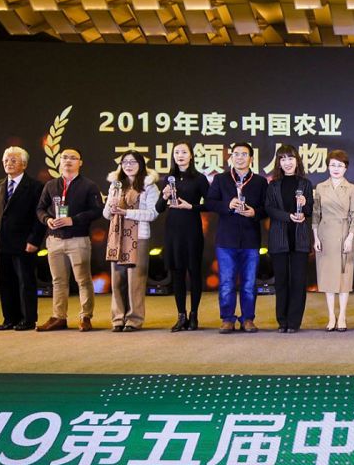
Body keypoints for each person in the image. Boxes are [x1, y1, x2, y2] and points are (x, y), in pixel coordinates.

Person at [35, 148, 103, 332]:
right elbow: (40, 209)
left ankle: (85, 316)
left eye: (73, 158)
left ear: (80, 162)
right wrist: (47, 220)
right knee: (58, 281)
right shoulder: (50, 185)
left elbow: (97, 210)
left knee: (83, 280)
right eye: (64, 157)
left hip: (78, 239)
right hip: (54, 239)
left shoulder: (89, 185)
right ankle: (59, 317)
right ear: (59, 161)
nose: (68, 161)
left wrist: (73, 220)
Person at [205, 142, 267, 334]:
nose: (240, 157)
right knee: (227, 282)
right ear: (231, 157)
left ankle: (248, 319)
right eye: (236, 154)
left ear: (251, 158)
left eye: (244, 154)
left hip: (250, 239)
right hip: (226, 240)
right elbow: (209, 202)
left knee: (249, 284)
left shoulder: (260, 182)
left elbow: (267, 208)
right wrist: (227, 204)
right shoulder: (221, 179)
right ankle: (227, 319)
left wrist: (255, 212)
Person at [0, 146, 45, 332]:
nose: (8, 163)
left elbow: (39, 218)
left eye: (13, 160)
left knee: (25, 282)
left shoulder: (35, 187)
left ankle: (28, 319)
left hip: (24, 244)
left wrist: (34, 240)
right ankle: (9, 318)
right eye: (6, 160)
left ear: (24, 164)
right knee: (5, 282)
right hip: (1, 242)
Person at [103, 151, 159, 332]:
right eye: (125, 162)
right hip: (117, 237)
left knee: (136, 281)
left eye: (133, 162)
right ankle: (118, 318)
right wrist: (111, 204)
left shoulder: (149, 186)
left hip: (139, 237)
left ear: (141, 164)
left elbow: (152, 214)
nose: (128, 165)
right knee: (117, 280)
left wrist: (126, 213)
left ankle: (134, 319)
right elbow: (106, 214)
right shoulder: (115, 185)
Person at [157, 141, 210, 332]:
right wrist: (164, 196)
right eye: (177, 152)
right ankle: (181, 315)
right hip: (173, 230)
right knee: (177, 273)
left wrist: (191, 206)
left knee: (194, 272)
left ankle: (194, 315)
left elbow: (211, 204)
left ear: (191, 155)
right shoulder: (169, 178)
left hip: (192, 229)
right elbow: (159, 208)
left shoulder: (199, 178)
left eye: (184, 152)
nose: (180, 155)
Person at [265, 145, 314, 333]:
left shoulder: (305, 184)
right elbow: (269, 208)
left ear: (297, 161)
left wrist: (305, 205)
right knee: (281, 281)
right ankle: (282, 321)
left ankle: (294, 322)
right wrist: (288, 216)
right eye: (283, 159)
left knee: (298, 282)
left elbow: (310, 210)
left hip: (299, 239)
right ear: (278, 163)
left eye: (290, 158)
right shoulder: (273, 185)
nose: (287, 162)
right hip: (279, 239)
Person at [313, 150, 354, 332]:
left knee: (344, 278)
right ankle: (331, 316)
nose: (336, 168)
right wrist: (315, 237)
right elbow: (316, 214)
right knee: (327, 277)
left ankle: (342, 316)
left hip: (344, 234)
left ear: (346, 168)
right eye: (333, 165)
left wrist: (350, 237)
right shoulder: (320, 187)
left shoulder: (352, 188)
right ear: (327, 166)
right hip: (325, 234)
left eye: (340, 165)